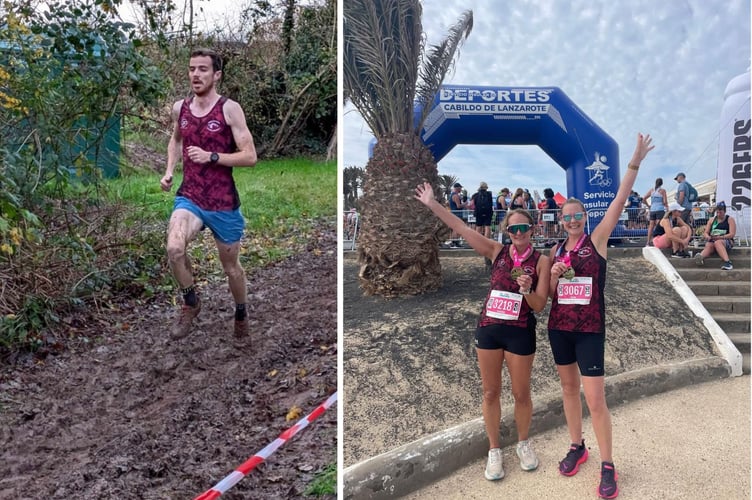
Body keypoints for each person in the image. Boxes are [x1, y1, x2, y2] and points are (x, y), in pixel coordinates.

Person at [415, 182, 551, 482]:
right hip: (489, 330)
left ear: (533, 229)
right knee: (490, 392)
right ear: (506, 231)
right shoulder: (496, 251)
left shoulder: (541, 261)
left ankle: (523, 443)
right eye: (513, 229)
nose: (519, 234)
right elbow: (462, 228)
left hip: (520, 333)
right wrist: (432, 203)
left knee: (521, 393)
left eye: (524, 228)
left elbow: (540, 305)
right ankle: (494, 450)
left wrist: (528, 290)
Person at [548, 133, 654, 499]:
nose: (573, 220)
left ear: (586, 218)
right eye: (567, 217)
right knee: (567, 390)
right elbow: (547, 293)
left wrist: (634, 162)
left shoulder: (599, 239)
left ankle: (608, 464)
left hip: (590, 330)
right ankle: (577, 446)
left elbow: (621, 199)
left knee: (596, 400)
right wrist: (552, 275)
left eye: (578, 216)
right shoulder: (556, 249)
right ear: (561, 221)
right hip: (559, 328)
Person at [160, 48, 258, 339]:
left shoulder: (229, 109)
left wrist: (212, 156)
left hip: (222, 202)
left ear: (217, 75)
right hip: (190, 195)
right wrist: (169, 171)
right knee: (174, 249)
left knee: (231, 268)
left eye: (203, 69)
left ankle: (241, 313)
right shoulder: (181, 108)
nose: (195, 75)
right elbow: (176, 140)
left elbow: (250, 156)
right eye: (192, 69)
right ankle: (191, 302)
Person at [695, 201, 736, 270]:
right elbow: (706, 232)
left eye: (721, 212)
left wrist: (721, 237)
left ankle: (727, 262)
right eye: (717, 212)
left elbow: (732, 234)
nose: (719, 214)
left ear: (724, 211)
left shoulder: (730, 219)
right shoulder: (711, 220)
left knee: (718, 242)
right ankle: (701, 257)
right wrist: (707, 237)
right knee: (709, 245)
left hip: (725, 240)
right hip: (713, 240)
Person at [642, 178, 667, 247]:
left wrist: (648, 206)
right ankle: (657, 241)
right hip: (660, 209)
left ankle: (648, 242)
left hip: (652, 210)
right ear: (662, 183)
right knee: (658, 226)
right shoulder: (663, 191)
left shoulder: (651, 190)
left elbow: (643, 199)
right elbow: (665, 202)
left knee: (651, 226)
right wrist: (666, 207)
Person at [448, 182, 467, 247]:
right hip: (457, 214)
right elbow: (458, 206)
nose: (461, 189)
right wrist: (465, 204)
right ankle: (455, 242)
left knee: (455, 228)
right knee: (457, 228)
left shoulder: (453, 195)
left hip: (455, 213)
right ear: (457, 188)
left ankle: (454, 241)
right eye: (460, 188)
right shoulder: (455, 196)